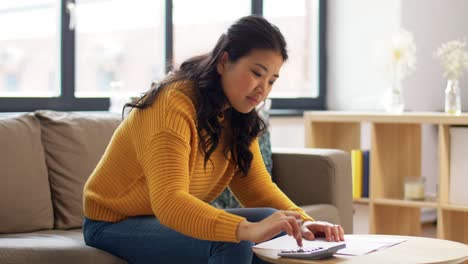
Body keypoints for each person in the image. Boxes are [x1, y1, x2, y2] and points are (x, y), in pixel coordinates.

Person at [82, 15, 344, 264]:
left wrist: (303, 222)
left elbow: (257, 190)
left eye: (272, 80)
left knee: (278, 224)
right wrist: (244, 230)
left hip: (160, 220)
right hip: (114, 223)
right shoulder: (172, 105)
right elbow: (170, 203)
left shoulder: (237, 114)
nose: (262, 88)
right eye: (256, 73)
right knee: (233, 240)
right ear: (223, 62)